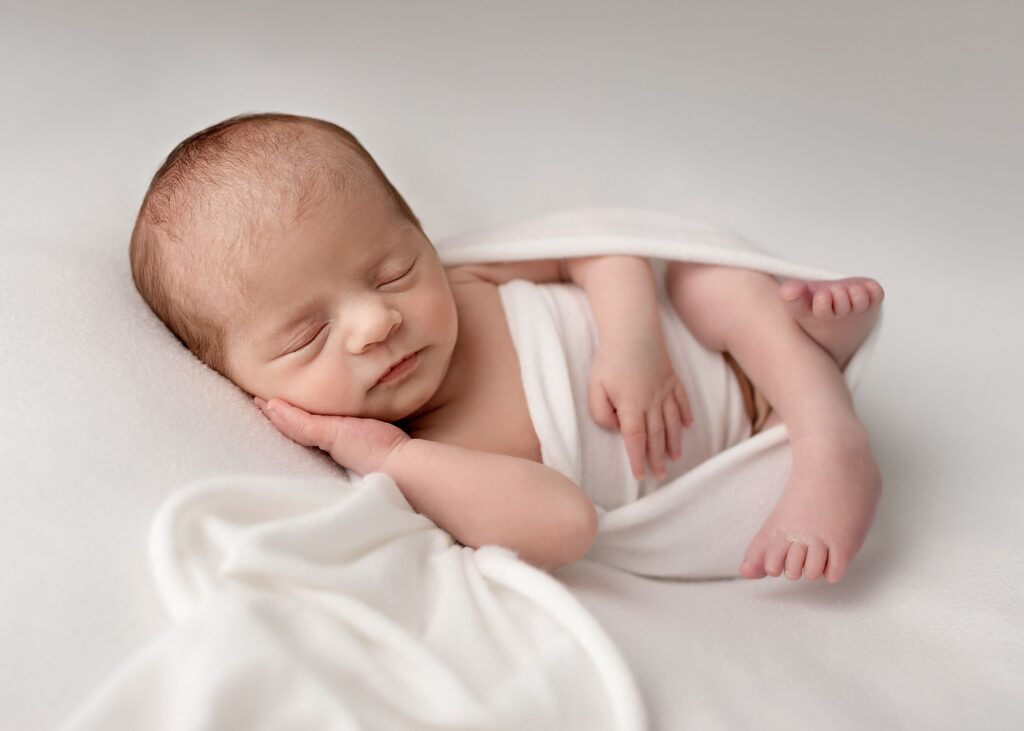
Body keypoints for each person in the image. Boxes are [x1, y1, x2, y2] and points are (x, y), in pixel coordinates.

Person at [129, 112, 882, 581]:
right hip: (742, 450)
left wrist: (631, 341)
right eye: (308, 335)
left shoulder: (466, 283)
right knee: (750, 345)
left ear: (420, 236)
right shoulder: (431, 458)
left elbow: (599, 247)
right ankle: (811, 383)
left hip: (696, 337)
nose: (373, 324)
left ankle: (827, 425)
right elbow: (567, 525)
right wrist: (390, 458)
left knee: (705, 281)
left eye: (394, 270)